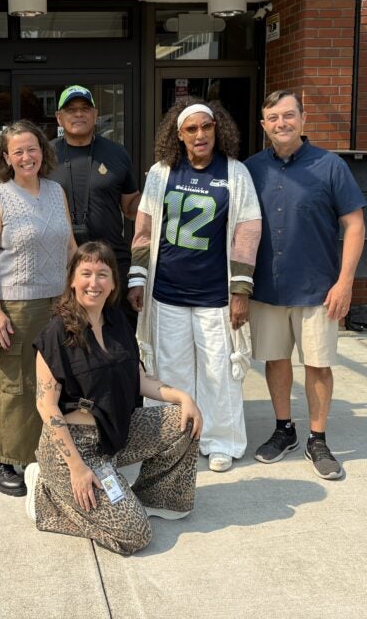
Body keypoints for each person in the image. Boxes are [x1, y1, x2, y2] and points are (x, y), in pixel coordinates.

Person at [28, 241, 202, 556]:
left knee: (184, 420)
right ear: (72, 280)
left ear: (113, 283)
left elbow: (140, 379)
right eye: (86, 273)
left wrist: (182, 397)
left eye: (102, 274)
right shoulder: (56, 332)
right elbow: (46, 406)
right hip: (75, 448)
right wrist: (77, 468)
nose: (94, 283)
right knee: (136, 535)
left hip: (116, 433)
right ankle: (47, 496)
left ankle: (152, 497)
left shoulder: (118, 322)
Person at [127, 99, 261, 473]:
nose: (200, 134)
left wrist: (240, 291)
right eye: (192, 129)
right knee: (170, 371)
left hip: (214, 295)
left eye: (207, 127)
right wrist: (137, 279)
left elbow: (247, 233)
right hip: (166, 291)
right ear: (179, 135)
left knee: (219, 369)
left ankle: (221, 441)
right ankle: (173, 439)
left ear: (218, 130)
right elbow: (144, 231)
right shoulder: (160, 173)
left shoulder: (235, 173)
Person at [244, 90, 366, 481]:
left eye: (288, 115)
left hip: (317, 288)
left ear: (303, 118)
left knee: (318, 364)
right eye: (273, 118)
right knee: (275, 360)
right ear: (263, 126)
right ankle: (284, 430)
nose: (282, 123)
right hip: (266, 288)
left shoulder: (330, 166)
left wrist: (345, 282)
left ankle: (317, 437)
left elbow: (354, 224)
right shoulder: (250, 169)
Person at [0, 120, 76, 496]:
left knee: (50, 383)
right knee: (14, 385)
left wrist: (77, 293)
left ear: (43, 151)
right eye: (17, 151)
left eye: (31, 148)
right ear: (6, 157)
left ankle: (39, 453)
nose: (25, 156)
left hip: (57, 302)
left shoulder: (55, 192)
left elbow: (69, 246)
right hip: (16, 306)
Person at [49, 85, 141, 327]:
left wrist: (157, 189)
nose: (78, 114)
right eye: (71, 110)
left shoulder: (117, 153)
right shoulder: (45, 155)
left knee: (117, 334)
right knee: (69, 337)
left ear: (95, 114)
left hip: (110, 263)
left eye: (84, 109)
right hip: (61, 264)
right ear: (59, 117)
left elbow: (131, 208)